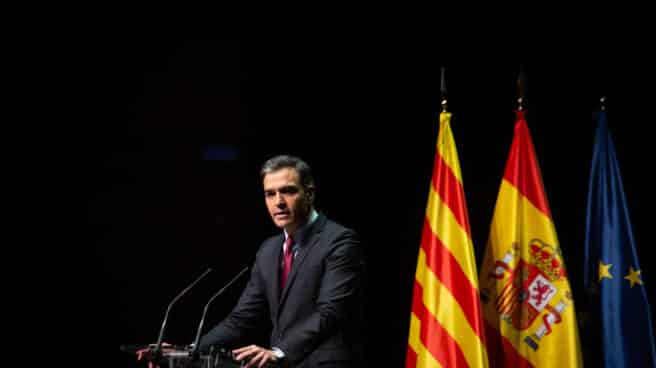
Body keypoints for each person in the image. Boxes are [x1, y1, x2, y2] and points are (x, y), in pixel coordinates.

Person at [198, 155, 365, 367]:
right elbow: (241, 318)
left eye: (288, 191)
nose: (278, 202)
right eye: (270, 194)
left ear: (310, 193)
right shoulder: (269, 250)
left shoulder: (340, 241)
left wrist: (279, 352)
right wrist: (191, 350)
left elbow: (330, 312)